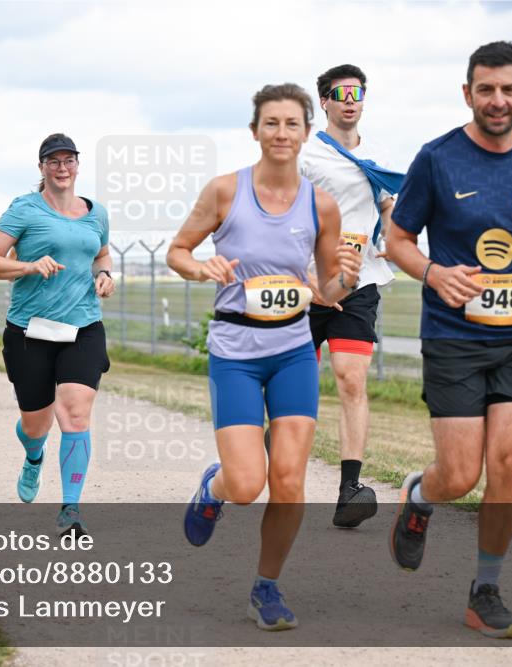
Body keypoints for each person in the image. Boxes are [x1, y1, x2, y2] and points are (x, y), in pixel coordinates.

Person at [386, 41, 512, 639]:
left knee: (508, 462)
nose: (497, 100)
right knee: (460, 476)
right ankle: (421, 496)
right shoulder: (438, 158)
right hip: (453, 337)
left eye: (508, 89)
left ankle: (486, 591)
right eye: (485, 89)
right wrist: (432, 272)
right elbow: (396, 239)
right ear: (468, 94)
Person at [167, 84, 360, 631]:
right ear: (255, 131)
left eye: (292, 124)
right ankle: (215, 487)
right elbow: (177, 250)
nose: (281, 133)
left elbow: (328, 290)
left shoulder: (320, 204)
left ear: (306, 132)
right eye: (270, 123)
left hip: (294, 351)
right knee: (248, 485)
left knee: (291, 481)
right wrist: (199, 267)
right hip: (235, 350)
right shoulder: (225, 191)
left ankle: (266, 588)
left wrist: (344, 272)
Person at [0, 133, 114, 537]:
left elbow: (102, 251)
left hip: (83, 326)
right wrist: (28, 267)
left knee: (74, 411)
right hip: (30, 330)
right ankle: (33, 456)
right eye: (53, 161)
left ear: (77, 164)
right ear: (41, 168)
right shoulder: (24, 209)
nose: (61, 167)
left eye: (68, 160)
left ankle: (71, 510)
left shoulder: (96, 212)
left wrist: (104, 274)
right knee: (36, 424)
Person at [294, 63, 405, 527]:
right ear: (324, 102)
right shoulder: (305, 156)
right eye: (340, 92)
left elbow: (386, 205)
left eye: (357, 92)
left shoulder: (376, 155)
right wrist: (306, 280)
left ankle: (348, 492)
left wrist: (395, 234)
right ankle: (273, 443)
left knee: (351, 380)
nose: (350, 99)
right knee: (293, 387)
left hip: (359, 282)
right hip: (306, 283)